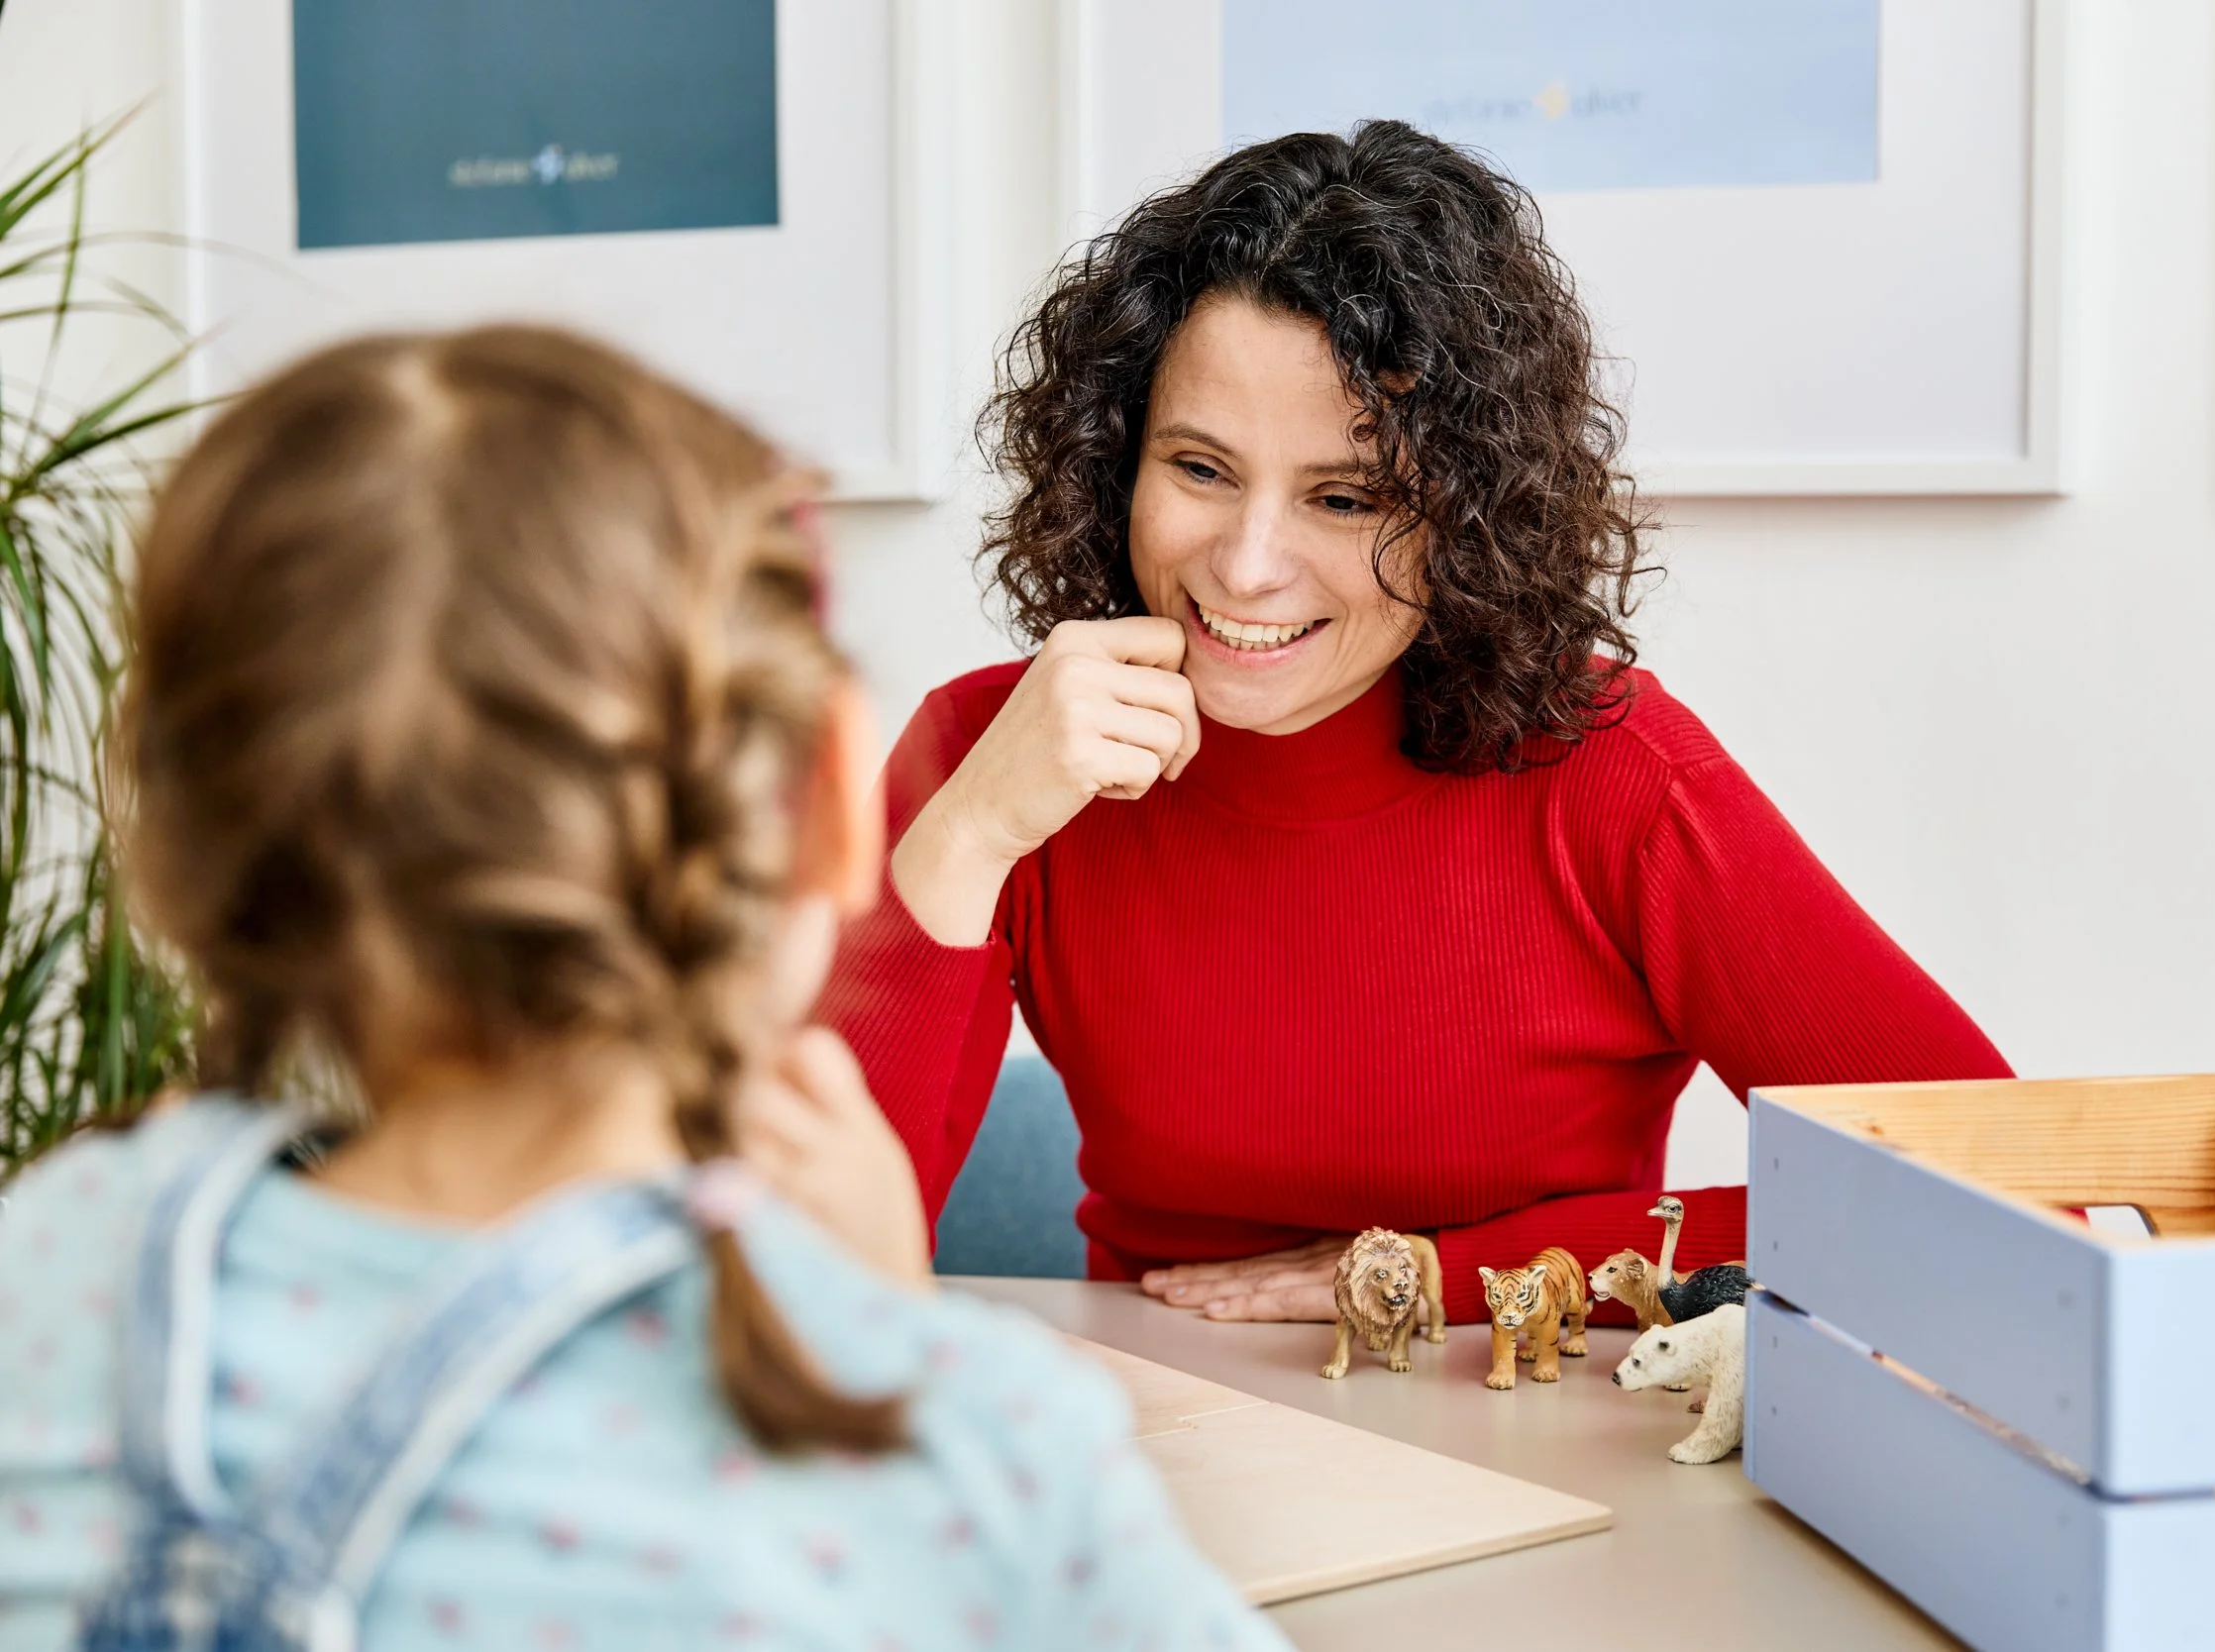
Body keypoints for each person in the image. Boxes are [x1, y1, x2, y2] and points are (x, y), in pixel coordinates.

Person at [0, 328, 1284, 1650]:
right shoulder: (967, 1453)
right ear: (836, 800)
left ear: (191, 849)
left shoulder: (57, 1258)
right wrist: (891, 1335)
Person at [823, 121, 2012, 1325]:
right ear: (1114, 459)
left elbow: (1996, 1195)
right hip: (1145, 1440)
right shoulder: (1006, 750)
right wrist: (969, 831)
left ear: (1467, 515)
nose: (1245, 566)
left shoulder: (1614, 774)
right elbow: (784, 1271)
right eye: (1199, 469)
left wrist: (1445, 1275)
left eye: (1345, 497)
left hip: (1533, 1434)